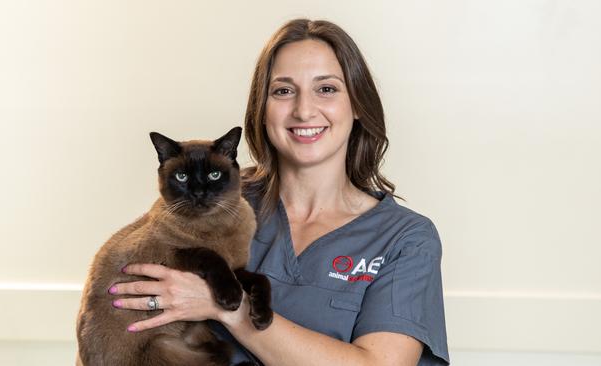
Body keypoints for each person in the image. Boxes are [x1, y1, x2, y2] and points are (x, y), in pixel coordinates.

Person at [111, 19, 450, 365]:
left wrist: (229, 309)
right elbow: (117, 310)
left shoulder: (405, 239)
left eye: (327, 89)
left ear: (358, 103)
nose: (304, 110)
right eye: (283, 91)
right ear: (262, 108)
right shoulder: (211, 203)